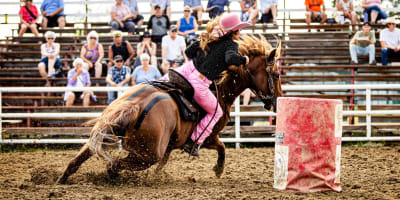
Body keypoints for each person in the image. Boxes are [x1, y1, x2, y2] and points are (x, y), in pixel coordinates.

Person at [181, 13, 250, 156]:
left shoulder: (212, 41)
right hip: (200, 83)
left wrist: (206, 36)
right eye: (238, 29)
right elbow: (230, 58)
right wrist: (244, 60)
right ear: (234, 31)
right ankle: (194, 141)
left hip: (189, 75)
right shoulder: (231, 44)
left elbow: (188, 52)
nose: (240, 32)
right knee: (217, 112)